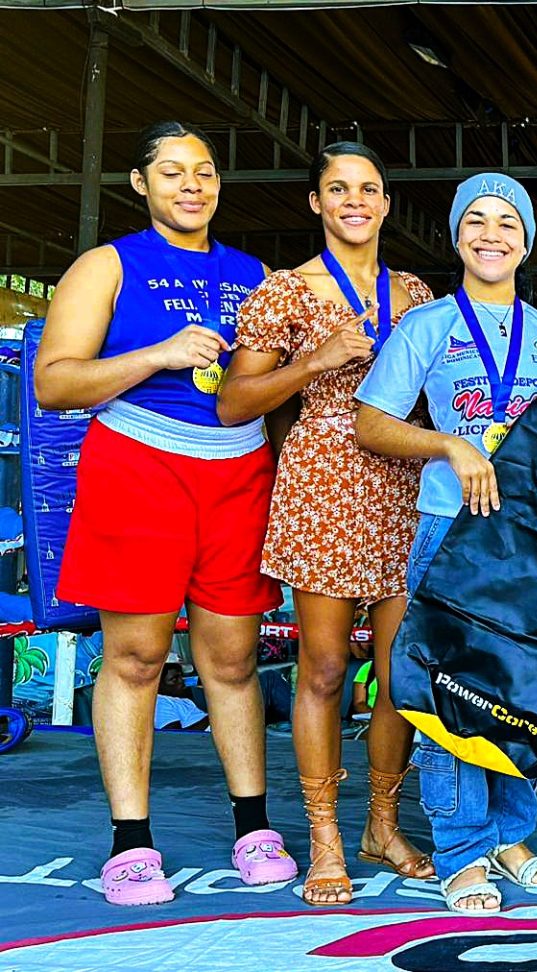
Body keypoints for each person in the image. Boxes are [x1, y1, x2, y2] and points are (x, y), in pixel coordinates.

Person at [35, 121, 296, 906]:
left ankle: (254, 827)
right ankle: (131, 843)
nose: (193, 184)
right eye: (174, 172)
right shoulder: (107, 264)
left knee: (232, 660)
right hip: (140, 465)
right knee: (137, 659)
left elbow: (276, 392)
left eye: (206, 171)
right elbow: (53, 383)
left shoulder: (256, 273)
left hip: (239, 469)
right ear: (140, 184)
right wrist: (157, 355)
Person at [219, 141, 437, 906]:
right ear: (316, 203)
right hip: (323, 485)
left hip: (406, 487)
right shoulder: (284, 290)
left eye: (369, 189)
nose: (355, 200)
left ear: (385, 204)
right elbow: (235, 403)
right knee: (322, 670)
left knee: (401, 676)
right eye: (338, 189)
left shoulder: (413, 289)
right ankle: (324, 836)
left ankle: (383, 822)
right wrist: (315, 359)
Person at [355, 172, 537, 914]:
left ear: (526, 241)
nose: (491, 235)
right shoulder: (427, 327)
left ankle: (512, 833)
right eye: (476, 220)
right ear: (456, 237)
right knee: (449, 696)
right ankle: (460, 848)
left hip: (526, 539)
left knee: (520, 695)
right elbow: (371, 422)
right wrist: (450, 445)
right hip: (449, 530)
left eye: (507, 224)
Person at [154, 663, 209, 731]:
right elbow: (175, 736)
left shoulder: (182, 700)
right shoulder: (161, 703)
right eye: (174, 679)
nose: (181, 681)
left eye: (181, 677)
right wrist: (212, 718)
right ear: (159, 684)